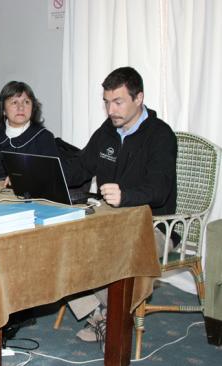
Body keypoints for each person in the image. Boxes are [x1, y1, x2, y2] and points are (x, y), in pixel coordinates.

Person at [62, 66, 177, 344]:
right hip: (108, 220)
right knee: (60, 245)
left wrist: (125, 195)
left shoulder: (160, 135)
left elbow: (160, 191)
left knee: (111, 251)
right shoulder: (107, 131)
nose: (111, 109)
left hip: (154, 224)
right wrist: (45, 175)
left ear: (139, 98)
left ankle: (106, 316)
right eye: (106, 102)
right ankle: (100, 315)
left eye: (118, 102)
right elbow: (81, 167)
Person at [0, 81, 59, 178]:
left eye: (26, 102)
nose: (21, 107)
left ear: (32, 108)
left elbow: (51, 177)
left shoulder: (44, 137)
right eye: (14, 102)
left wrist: (21, 179)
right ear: (3, 109)